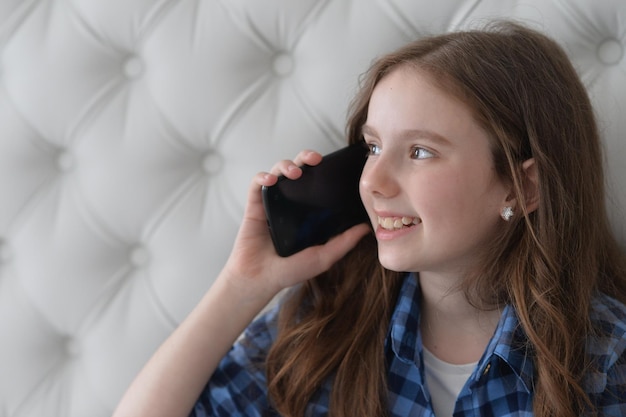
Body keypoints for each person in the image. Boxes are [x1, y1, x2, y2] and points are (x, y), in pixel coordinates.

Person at [111, 21, 626, 417]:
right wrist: (242, 285)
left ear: (522, 185)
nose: (372, 181)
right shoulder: (330, 321)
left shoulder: (604, 359)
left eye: (421, 151)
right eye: (373, 146)